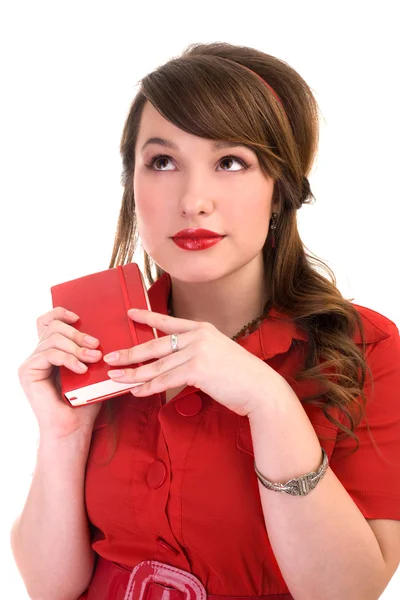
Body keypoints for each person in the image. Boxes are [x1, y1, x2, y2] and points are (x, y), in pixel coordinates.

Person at [11, 41, 400, 600]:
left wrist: (267, 401)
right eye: (162, 162)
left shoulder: (365, 348)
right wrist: (63, 436)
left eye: (230, 162)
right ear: (132, 186)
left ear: (279, 191)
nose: (194, 200)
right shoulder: (100, 339)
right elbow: (49, 588)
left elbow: (350, 591)